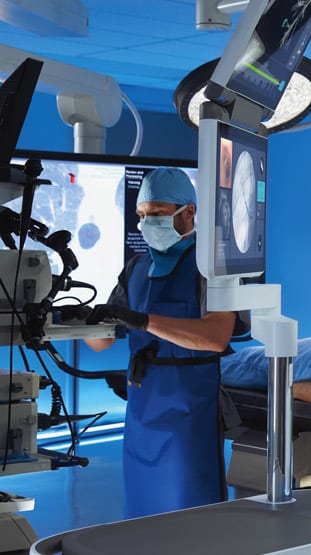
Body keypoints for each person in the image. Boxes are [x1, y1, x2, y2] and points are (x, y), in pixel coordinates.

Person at [82, 167, 246, 519]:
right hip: (142, 410)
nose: (146, 223)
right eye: (141, 215)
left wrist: (143, 321)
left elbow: (216, 337)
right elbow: (99, 343)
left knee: (187, 512)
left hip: (188, 409)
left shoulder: (211, 267)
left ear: (188, 212)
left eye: (156, 213)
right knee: (142, 512)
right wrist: (77, 320)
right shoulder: (136, 269)